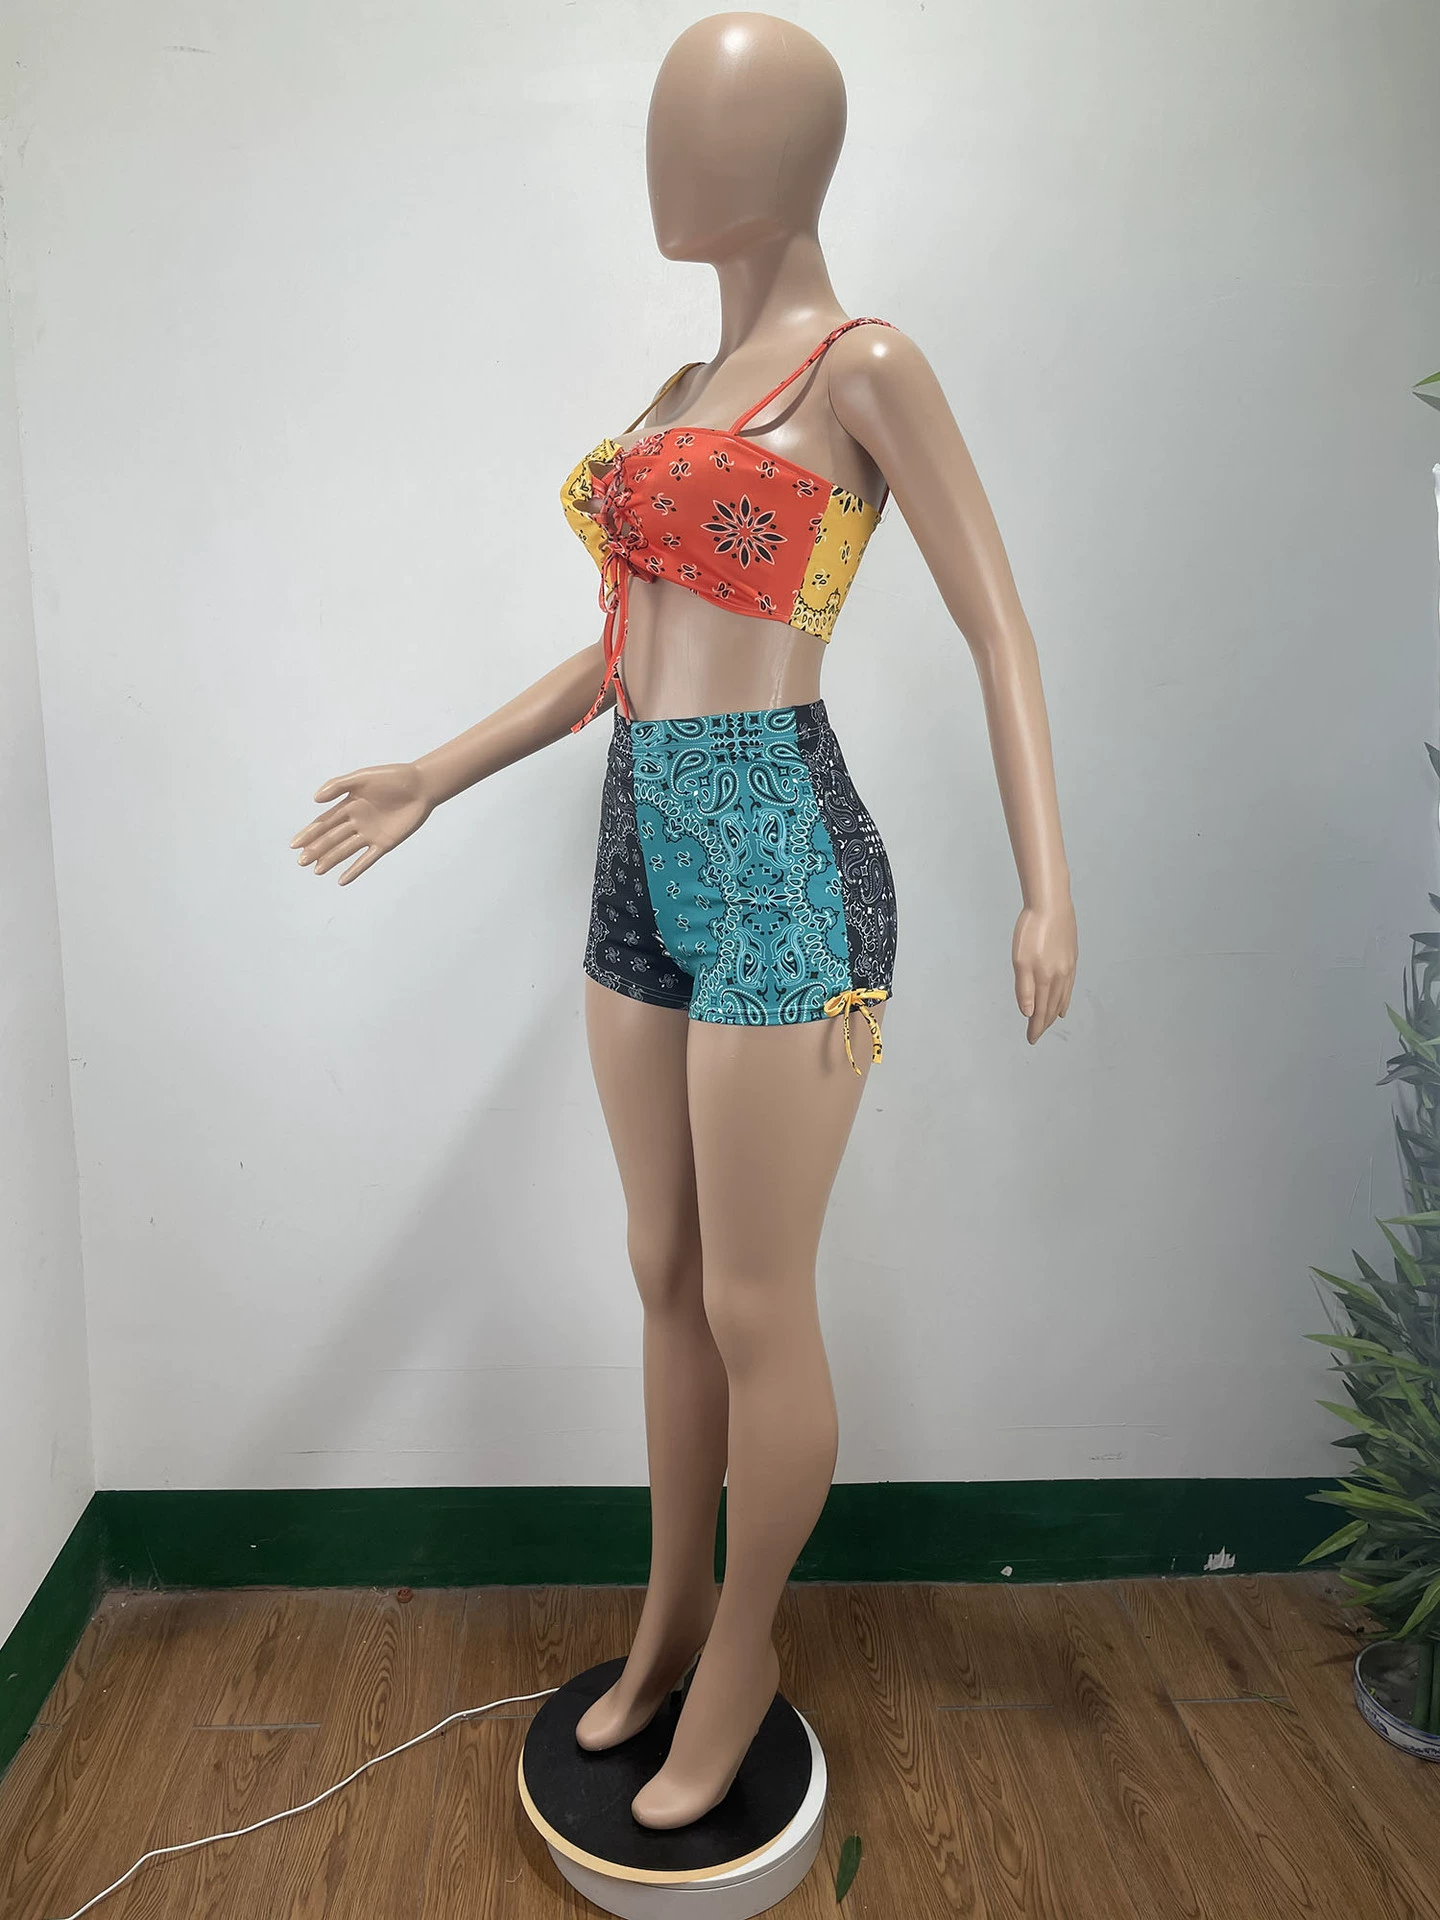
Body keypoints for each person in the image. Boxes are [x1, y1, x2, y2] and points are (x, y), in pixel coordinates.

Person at [290, 11, 1077, 1832]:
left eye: (703, 126)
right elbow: (623, 654)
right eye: (664, 124)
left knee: (749, 1293)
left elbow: (999, 625)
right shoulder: (671, 395)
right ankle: (660, 1622)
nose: (667, 158)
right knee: (659, 1266)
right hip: (637, 839)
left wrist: (1049, 885)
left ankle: (743, 1654)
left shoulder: (865, 369)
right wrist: (436, 771)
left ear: (791, 158)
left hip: (782, 854)